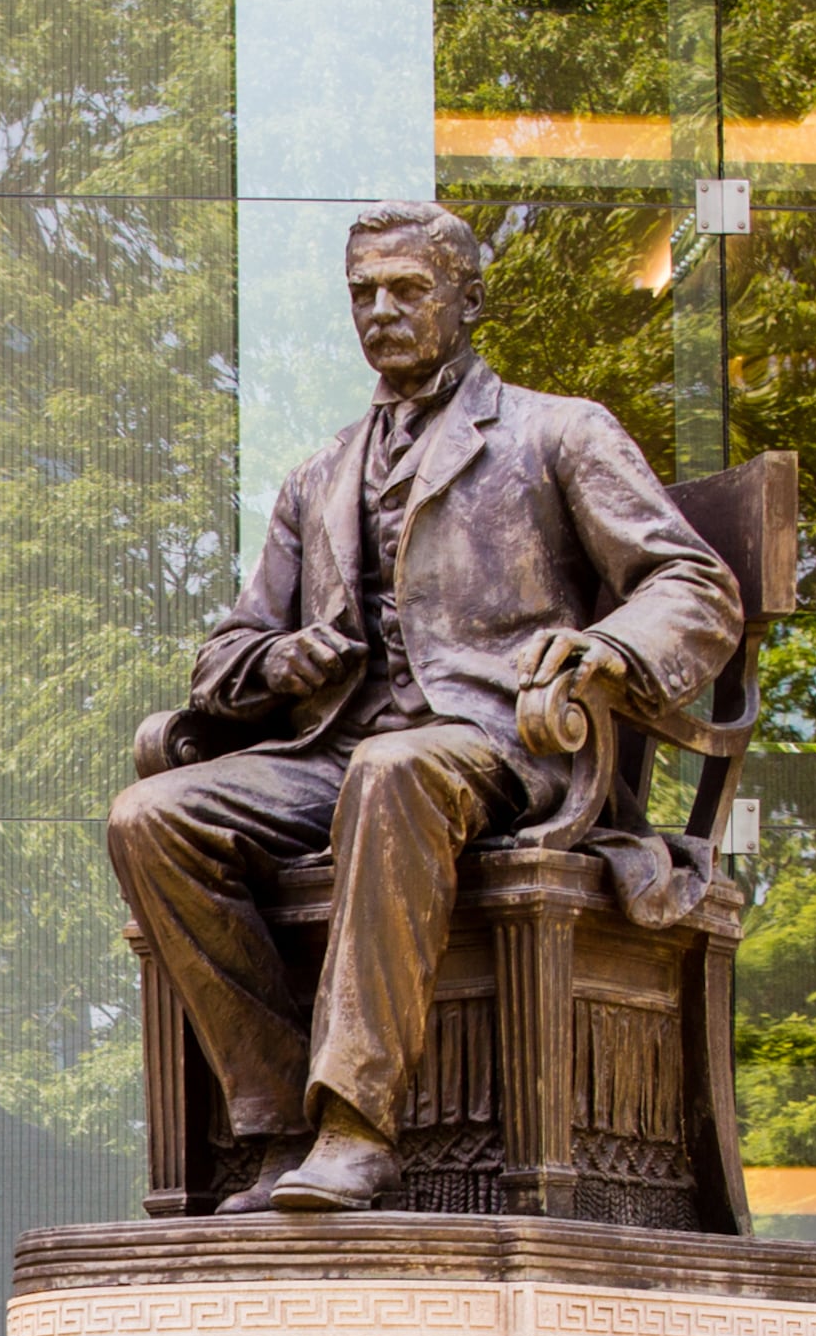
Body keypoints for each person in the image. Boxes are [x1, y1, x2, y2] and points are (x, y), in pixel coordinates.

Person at [103, 200, 740, 1212]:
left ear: (468, 300)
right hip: (341, 754)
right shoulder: (318, 478)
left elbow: (694, 588)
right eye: (364, 293)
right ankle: (274, 1125)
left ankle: (359, 1128)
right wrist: (280, 664)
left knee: (393, 770)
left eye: (409, 289)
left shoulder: (558, 432)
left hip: (508, 750)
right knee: (152, 817)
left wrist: (605, 649)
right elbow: (226, 653)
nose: (383, 311)